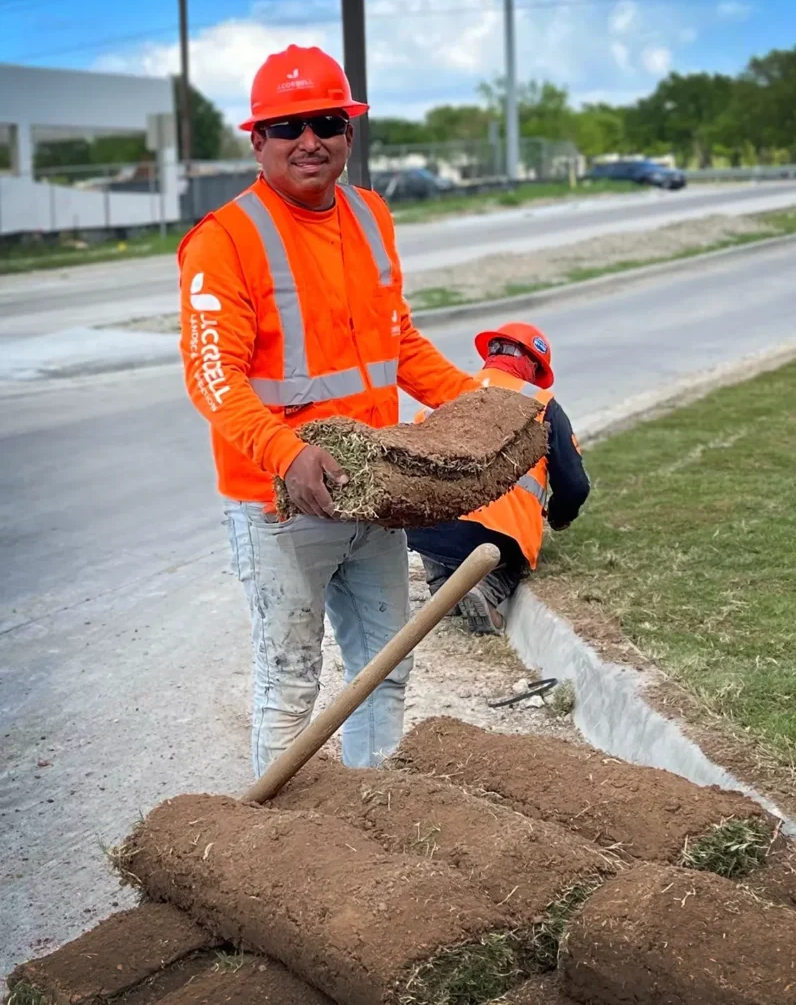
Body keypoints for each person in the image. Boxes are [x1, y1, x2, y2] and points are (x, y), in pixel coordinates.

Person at [177, 45, 478, 776]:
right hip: (280, 505)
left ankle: (370, 818)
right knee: (290, 687)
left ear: (349, 131)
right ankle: (275, 856)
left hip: (370, 499)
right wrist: (287, 454)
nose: (309, 140)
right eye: (288, 127)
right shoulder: (225, 241)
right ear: (258, 141)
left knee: (385, 670)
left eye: (325, 121)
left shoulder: (371, 216)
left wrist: (482, 406)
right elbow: (213, 379)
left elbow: (399, 345)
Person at [407, 323, 590, 634]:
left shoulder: (450, 391)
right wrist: (559, 517)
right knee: (515, 551)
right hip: (492, 534)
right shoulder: (542, 405)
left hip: (424, 528)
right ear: (533, 365)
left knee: (438, 527)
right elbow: (574, 485)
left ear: (491, 355)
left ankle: (444, 581)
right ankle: (484, 590)